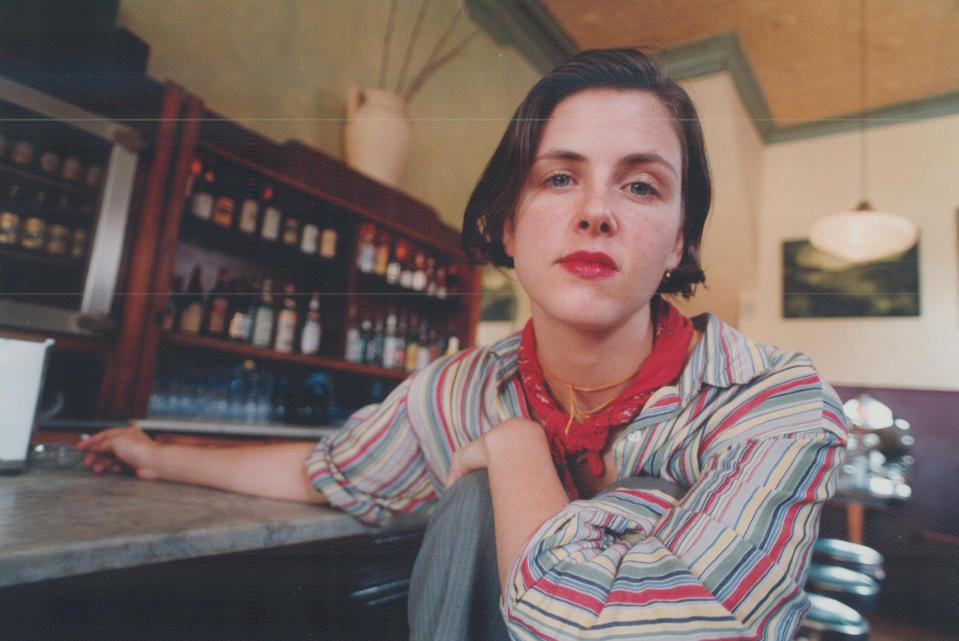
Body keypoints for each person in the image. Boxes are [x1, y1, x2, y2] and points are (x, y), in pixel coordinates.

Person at [78, 49, 847, 641]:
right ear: (509, 226)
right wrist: (159, 452)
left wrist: (516, 452)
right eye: (557, 178)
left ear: (678, 242)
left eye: (639, 185)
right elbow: (330, 470)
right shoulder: (456, 390)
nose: (595, 212)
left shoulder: (770, 403)